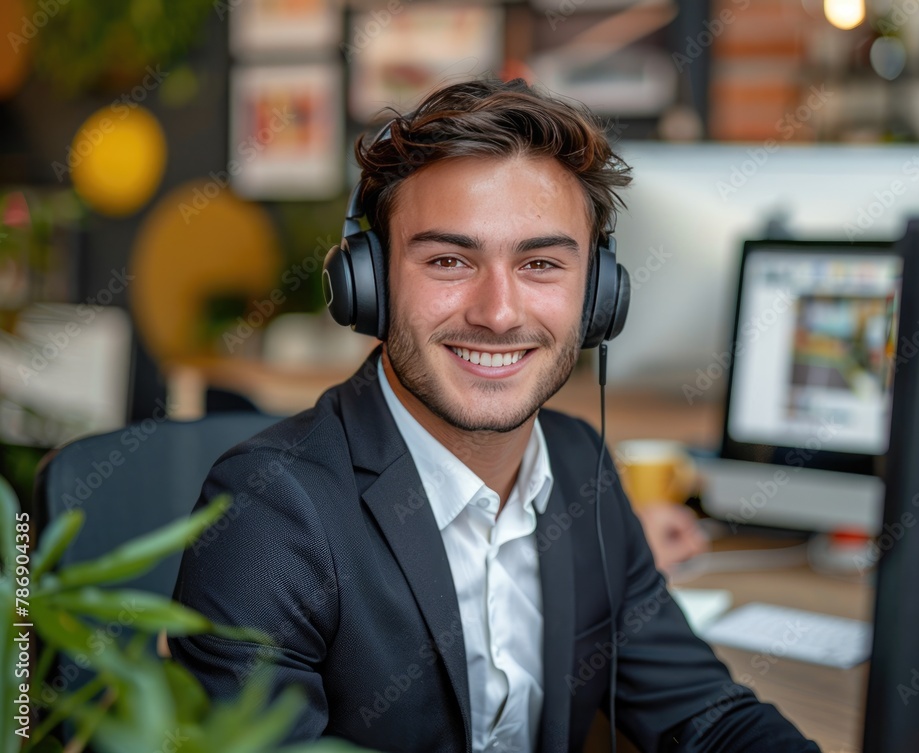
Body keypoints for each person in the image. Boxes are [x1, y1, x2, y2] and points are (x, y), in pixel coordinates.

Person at [170, 78, 819, 753]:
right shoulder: (271, 513)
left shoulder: (579, 467)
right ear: (369, 285)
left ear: (598, 298)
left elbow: (707, 716)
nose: (499, 313)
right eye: (449, 260)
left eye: (540, 263)